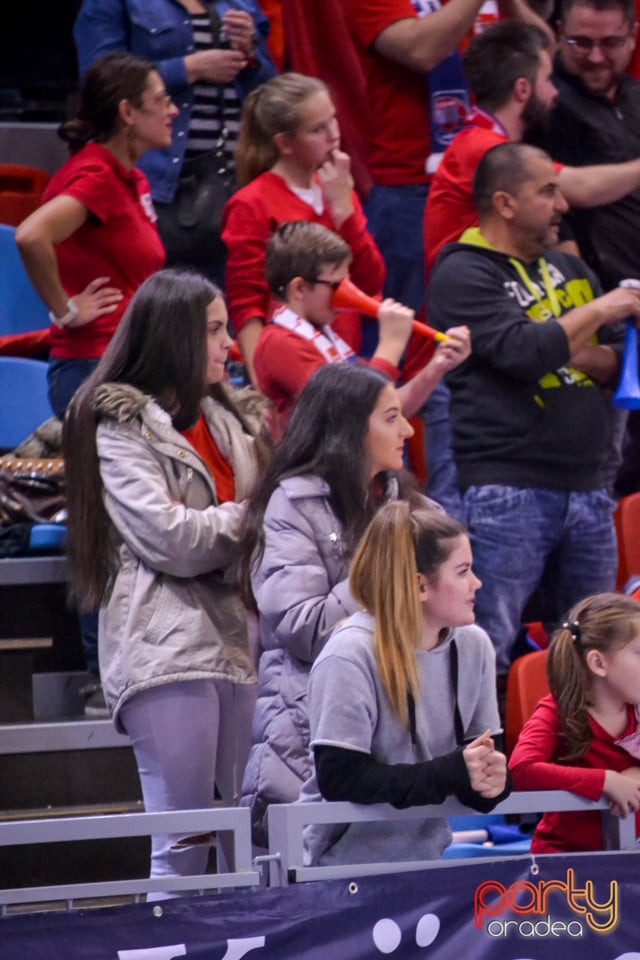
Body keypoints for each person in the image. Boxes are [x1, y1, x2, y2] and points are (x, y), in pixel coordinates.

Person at [62, 268, 268, 893]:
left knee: (245, 841)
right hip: (166, 649)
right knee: (185, 843)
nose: (228, 344)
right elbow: (172, 540)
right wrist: (251, 519)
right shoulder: (120, 426)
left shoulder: (230, 422)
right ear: (175, 334)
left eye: (227, 328)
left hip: (243, 640)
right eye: (213, 330)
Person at [428, 141, 640, 686]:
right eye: (547, 191)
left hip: (590, 489)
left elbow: (619, 363)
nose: (562, 204)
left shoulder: (570, 268)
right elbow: (521, 354)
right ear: (505, 202)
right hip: (508, 488)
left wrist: (555, 341)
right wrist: (596, 311)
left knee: (600, 660)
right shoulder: (462, 272)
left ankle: (584, 768)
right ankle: (486, 764)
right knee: (484, 649)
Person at [16, 52, 172, 712]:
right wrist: (64, 309)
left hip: (127, 376)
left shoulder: (128, 178)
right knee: (105, 529)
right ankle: (99, 676)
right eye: (160, 99)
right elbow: (30, 235)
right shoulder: (94, 176)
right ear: (127, 112)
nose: (173, 108)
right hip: (90, 375)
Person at [238, 362, 439, 845]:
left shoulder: (410, 506)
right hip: (310, 733)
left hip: (399, 728)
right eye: (391, 417)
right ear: (350, 427)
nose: (408, 428)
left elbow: (449, 601)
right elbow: (302, 628)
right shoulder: (293, 503)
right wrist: (380, 566)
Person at [302, 501, 510, 867]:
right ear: (420, 586)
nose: (476, 583)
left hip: (427, 862)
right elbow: (342, 778)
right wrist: (454, 772)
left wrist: (491, 782)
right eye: (462, 572)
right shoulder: (349, 653)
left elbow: (482, 759)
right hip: (335, 870)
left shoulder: (474, 645)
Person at [74, 0, 275, 285]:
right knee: (158, 304)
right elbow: (98, 80)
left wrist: (252, 54)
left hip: (234, 182)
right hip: (156, 182)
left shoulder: (238, 4)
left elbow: (270, 94)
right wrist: (190, 68)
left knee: (225, 308)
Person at [425, 19, 640, 274]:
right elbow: (582, 188)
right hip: (471, 303)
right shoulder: (480, 147)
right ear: (523, 89)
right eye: (548, 80)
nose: (554, 93)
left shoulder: (486, 141)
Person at [221, 72, 386, 383]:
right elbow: (247, 304)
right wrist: (263, 384)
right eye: (317, 129)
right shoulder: (252, 203)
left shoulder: (340, 189)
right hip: (290, 363)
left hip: (341, 355)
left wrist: (344, 213)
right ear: (285, 143)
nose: (334, 135)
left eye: (333, 120)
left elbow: (370, 280)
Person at [258, 220, 471, 431]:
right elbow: (354, 416)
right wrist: (391, 345)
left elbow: (387, 412)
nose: (345, 294)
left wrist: (436, 367)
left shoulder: (324, 332)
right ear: (299, 288)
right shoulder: (278, 343)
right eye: (336, 285)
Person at [510, 593, 640, 853]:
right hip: (564, 869)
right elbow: (520, 769)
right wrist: (605, 781)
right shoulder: (558, 710)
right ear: (598, 663)